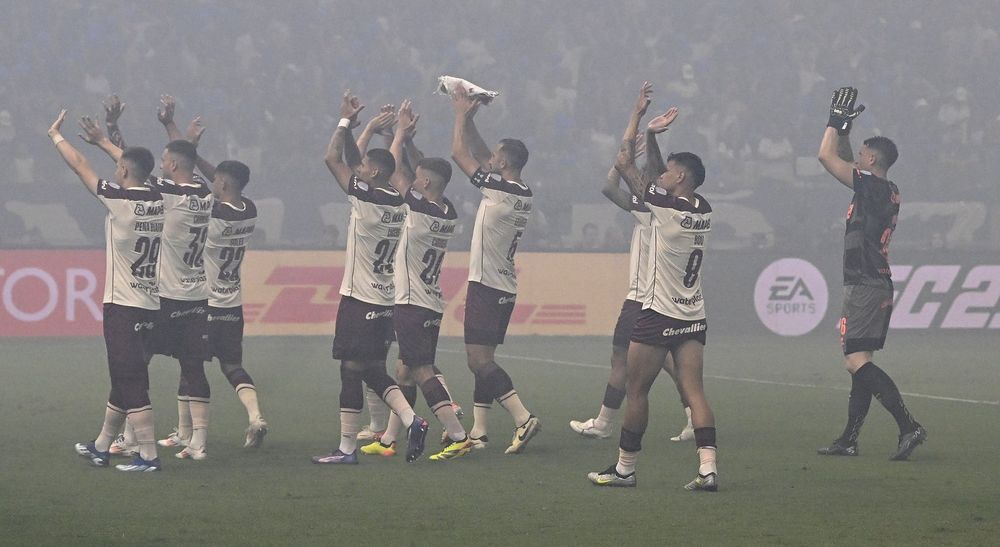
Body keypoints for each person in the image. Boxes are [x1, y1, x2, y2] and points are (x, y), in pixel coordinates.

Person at [588, 82, 718, 490]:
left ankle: (625, 469)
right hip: (693, 315)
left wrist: (639, 123)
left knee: (636, 389)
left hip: (659, 313)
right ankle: (708, 469)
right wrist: (654, 139)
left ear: (679, 177)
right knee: (694, 392)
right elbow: (659, 181)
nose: (661, 173)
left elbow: (626, 164)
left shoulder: (663, 205)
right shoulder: (700, 207)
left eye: (668, 171)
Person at [312, 90, 429, 465]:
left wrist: (347, 122)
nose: (358, 169)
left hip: (359, 298)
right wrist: (390, 135)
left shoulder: (367, 197)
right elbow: (361, 162)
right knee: (374, 369)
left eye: (364, 168)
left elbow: (334, 158)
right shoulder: (400, 199)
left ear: (373, 173)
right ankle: (412, 420)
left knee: (350, 369)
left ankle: (347, 448)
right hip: (386, 300)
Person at [816, 86, 926, 460]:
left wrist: (834, 122)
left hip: (865, 281)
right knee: (860, 360)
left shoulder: (872, 186)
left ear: (873, 160)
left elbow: (826, 156)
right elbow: (844, 156)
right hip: (873, 279)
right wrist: (846, 132)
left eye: (863, 152)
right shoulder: (881, 187)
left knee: (855, 361)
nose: (857, 156)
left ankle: (909, 426)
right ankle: (849, 439)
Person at [359, 100, 472, 461]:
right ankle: (391, 440)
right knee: (403, 370)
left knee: (421, 369)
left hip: (412, 302)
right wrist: (407, 141)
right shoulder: (446, 210)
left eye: (418, 177)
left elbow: (394, 174)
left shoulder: (417, 209)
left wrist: (399, 135)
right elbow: (418, 171)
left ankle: (458, 434)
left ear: (423, 183)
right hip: (430, 300)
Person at [52, 109, 165, 472]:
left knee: (129, 376)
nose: (116, 170)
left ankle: (147, 454)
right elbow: (134, 168)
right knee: (125, 373)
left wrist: (56, 136)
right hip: (150, 302)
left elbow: (80, 165)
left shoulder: (120, 201)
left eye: (120, 167)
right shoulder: (157, 198)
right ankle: (102, 446)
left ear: (124, 173)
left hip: (123, 305)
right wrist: (105, 142)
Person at [570, 137, 694, 443]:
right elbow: (614, 188)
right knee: (667, 362)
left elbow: (610, 188)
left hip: (642, 298)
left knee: (621, 360)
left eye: (660, 177)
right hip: (660, 298)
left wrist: (626, 156)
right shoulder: (669, 210)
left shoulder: (653, 210)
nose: (654, 179)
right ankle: (693, 416)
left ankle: (603, 423)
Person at [450, 85, 540, 454]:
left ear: (504, 164)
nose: (490, 159)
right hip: (501, 284)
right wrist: (472, 117)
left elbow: (459, 153)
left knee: (478, 359)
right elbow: (481, 152)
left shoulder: (501, 191)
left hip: (488, 285)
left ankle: (523, 417)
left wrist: (458, 114)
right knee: (482, 360)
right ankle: (480, 431)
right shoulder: (519, 189)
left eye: (496, 157)